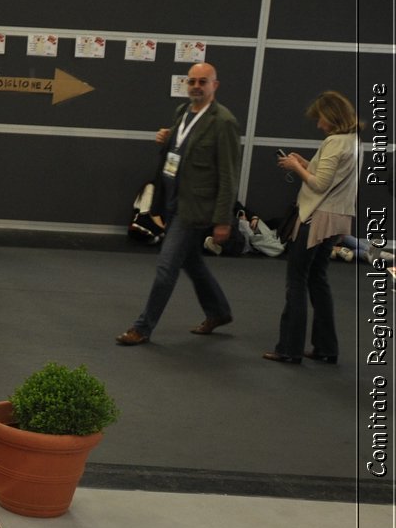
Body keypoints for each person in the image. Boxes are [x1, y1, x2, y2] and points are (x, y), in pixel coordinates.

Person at [117, 62, 239, 345]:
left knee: (166, 267)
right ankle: (219, 312)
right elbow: (179, 150)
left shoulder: (224, 122)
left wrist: (224, 219)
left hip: (194, 208)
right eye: (192, 81)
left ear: (214, 86)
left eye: (203, 82)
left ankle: (142, 328)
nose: (196, 86)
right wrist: (165, 139)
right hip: (172, 201)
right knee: (192, 262)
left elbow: (229, 175)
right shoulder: (182, 113)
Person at [264, 91, 362, 364]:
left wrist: (295, 166)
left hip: (315, 220)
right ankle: (326, 347)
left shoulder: (334, 142)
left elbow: (318, 185)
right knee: (318, 280)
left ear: (331, 117)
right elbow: (332, 179)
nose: (319, 124)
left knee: (296, 282)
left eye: (320, 118)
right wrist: (306, 164)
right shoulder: (354, 141)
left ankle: (289, 348)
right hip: (336, 219)